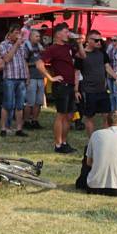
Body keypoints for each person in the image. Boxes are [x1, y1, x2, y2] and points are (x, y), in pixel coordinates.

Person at [37, 23, 80, 153]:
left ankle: (64, 142)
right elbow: (39, 64)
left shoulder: (68, 47)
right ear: (58, 34)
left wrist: (79, 41)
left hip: (70, 85)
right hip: (61, 86)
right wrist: (50, 78)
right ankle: (58, 144)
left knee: (69, 115)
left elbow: (82, 56)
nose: (68, 34)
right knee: (61, 115)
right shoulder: (52, 49)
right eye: (66, 32)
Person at [76, 30, 117, 136]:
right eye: (96, 40)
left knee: (107, 116)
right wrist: (76, 90)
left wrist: (116, 77)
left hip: (102, 90)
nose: (99, 42)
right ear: (88, 40)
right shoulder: (81, 55)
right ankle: (92, 141)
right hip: (88, 91)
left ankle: (104, 139)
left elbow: (107, 66)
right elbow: (76, 73)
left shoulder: (102, 53)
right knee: (89, 117)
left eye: (100, 40)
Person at [0, 24, 29, 137]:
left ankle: (19, 129)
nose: (18, 35)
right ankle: (3, 128)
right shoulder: (4, 44)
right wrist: (16, 44)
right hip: (10, 78)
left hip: (21, 77)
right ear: (10, 34)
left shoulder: (23, 44)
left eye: (19, 33)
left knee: (20, 105)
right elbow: (7, 58)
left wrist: (27, 76)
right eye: (16, 33)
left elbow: (24, 61)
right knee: (8, 104)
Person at [24, 30, 45, 129]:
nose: (38, 38)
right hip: (32, 77)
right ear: (31, 37)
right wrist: (33, 65)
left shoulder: (40, 47)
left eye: (39, 36)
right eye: (36, 36)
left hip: (40, 77)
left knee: (39, 101)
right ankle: (27, 121)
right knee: (30, 101)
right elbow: (24, 63)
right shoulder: (27, 48)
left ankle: (35, 120)